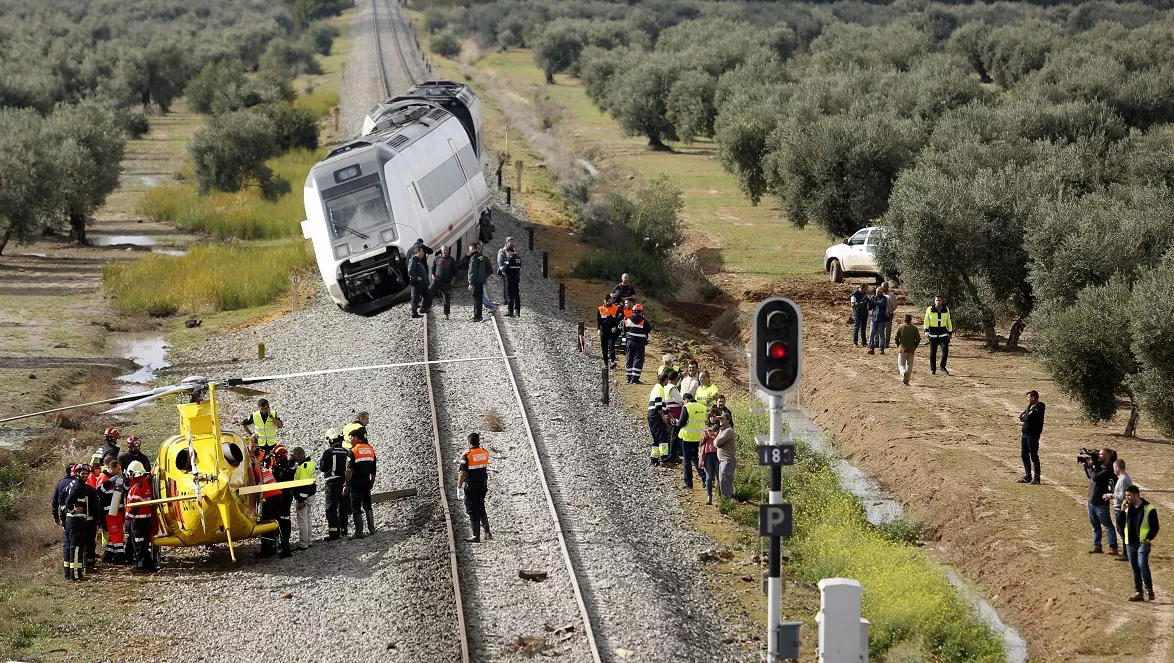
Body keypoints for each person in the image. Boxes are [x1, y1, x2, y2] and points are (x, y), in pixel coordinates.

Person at [1122, 485, 1159, 602]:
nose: (1127, 497)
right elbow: (1120, 525)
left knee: (1142, 565)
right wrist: (1122, 511)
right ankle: (1138, 592)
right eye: (1126, 495)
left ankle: (1149, 590)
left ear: (1136, 494)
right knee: (1135, 568)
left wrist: (1148, 538)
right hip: (1130, 542)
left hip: (1143, 542)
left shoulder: (1149, 508)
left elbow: (1155, 527)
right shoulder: (1128, 508)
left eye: (1129, 495)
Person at [458, 432, 492, 543]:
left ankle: (475, 536)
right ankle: (487, 533)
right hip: (482, 485)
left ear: (469, 442)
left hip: (471, 486)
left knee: (472, 509)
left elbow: (462, 473)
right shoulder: (485, 453)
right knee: (481, 506)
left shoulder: (467, 455)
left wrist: (459, 486)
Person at [61, 464, 93, 580]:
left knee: (71, 547)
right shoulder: (77, 486)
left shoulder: (72, 485)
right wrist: (73, 510)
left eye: (86, 473)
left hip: (72, 520)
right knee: (76, 547)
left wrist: (65, 512)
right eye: (82, 473)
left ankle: (69, 574)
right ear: (77, 473)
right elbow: (68, 501)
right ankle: (75, 575)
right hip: (76, 520)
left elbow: (61, 498)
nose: (85, 475)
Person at [1085, 448, 1118, 555]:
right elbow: (1090, 476)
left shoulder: (1108, 469)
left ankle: (1113, 546)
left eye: (1101, 454)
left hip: (1100, 503)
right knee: (1095, 525)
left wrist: (1090, 467)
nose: (1099, 456)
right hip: (1092, 500)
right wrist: (1087, 467)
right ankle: (1097, 546)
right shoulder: (1100, 467)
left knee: (1107, 525)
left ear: (1107, 456)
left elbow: (1095, 477)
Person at [124, 460, 156, 573]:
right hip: (146, 519)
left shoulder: (137, 487)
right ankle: (148, 563)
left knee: (138, 543)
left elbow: (134, 505)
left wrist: (128, 518)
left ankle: (142, 565)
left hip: (137, 520)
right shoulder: (145, 484)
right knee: (144, 543)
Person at [345, 427, 376, 539]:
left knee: (356, 506)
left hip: (356, 482)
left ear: (356, 438)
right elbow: (374, 469)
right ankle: (372, 529)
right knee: (368, 504)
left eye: (350, 438)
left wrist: (346, 483)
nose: (349, 440)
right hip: (366, 481)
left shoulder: (353, 451)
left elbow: (349, 470)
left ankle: (359, 532)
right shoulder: (370, 449)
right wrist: (372, 482)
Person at [319, 428, 349, 540]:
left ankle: (334, 532)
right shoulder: (346, 452)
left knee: (331, 507)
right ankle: (344, 529)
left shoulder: (328, 452)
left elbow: (323, 468)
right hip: (344, 481)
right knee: (343, 506)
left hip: (331, 481)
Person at [676, 393, 708, 490]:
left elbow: (682, 422)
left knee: (687, 461)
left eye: (683, 401)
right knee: (697, 459)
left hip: (687, 437)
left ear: (686, 399)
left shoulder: (686, 407)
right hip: (699, 437)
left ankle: (688, 483)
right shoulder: (702, 407)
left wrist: (676, 422)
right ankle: (705, 479)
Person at [98, 460, 126, 564]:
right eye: (118, 469)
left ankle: (108, 556)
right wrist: (110, 482)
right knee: (116, 533)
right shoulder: (103, 478)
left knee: (117, 533)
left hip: (118, 510)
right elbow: (100, 491)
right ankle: (119, 557)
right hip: (109, 511)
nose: (119, 471)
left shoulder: (118, 478)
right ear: (112, 468)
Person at [271, 446, 296, 558]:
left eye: (276, 457)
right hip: (280, 497)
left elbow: (280, 480)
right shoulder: (282, 466)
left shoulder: (286, 469)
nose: (275, 459)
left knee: (284, 521)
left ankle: (285, 546)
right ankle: (280, 545)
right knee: (280, 520)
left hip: (284, 498)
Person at [1017, 390, 1045, 484]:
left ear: (1033, 397)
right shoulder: (1030, 407)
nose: (1027, 399)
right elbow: (1022, 416)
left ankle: (1037, 478)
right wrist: (1025, 416)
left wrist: (1025, 417)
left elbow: (1027, 417)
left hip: (1033, 435)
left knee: (1033, 456)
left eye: (1028, 397)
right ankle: (1028, 476)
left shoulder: (1039, 407)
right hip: (1025, 434)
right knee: (1024, 455)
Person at [291, 447, 316, 551]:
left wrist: (301, 500)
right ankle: (308, 540)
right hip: (311, 494)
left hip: (305, 496)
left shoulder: (303, 467)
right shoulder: (310, 463)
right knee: (308, 518)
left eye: (293, 455)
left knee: (302, 520)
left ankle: (303, 543)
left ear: (297, 456)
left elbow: (304, 485)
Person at [1107, 459, 1133, 562]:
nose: (1113, 470)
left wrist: (1112, 495)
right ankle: (1127, 553)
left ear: (1117, 468)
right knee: (1122, 531)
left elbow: (1123, 496)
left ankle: (1127, 554)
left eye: (1114, 468)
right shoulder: (1123, 478)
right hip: (1121, 508)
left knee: (1122, 531)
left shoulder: (1123, 480)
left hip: (1122, 509)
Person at [923, 295, 953, 376]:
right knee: (933, 353)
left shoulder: (946, 309)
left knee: (945, 350)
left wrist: (950, 332)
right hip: (933, 334)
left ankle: (943, 367)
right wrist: (926, 331)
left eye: (939, 300)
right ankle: (933, 369)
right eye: (936, 300)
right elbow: (926, 320)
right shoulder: (929, 309)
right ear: (934, 301)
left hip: (943, 333)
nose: (938, 302)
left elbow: (948, 321)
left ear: (942, 301)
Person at [624, 304, 651, 384]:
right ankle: (635, 379)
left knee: (629, 358)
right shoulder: (643, 321)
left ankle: (628, 377)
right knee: (638, 359)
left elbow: (625, 328)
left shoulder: (628, 320)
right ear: (641, 312)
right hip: (639, 343)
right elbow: (648, 329)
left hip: (630, 342)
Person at [647, 373, 670, 465]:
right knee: (662, 436)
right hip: (656, 415)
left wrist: (668, 414)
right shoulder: (659, 388)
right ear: (666, 379)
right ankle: (664, 457)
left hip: (652, 415)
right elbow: (658, 404)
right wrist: (663, 417)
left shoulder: (656, 388)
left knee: (656, 437)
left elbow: (663, 405)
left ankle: (654, 458)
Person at [431, 245, 458, 319]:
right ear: (441, 250)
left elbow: (455, 272)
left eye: (446, 250)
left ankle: (446, 314)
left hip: (447, 283)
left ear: (448, 250)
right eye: (444, 250)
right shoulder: (437, 259)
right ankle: (424, 307)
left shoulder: (451, 260)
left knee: (446, 299)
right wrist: (433, 278)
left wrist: (452, 282)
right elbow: (432, 270)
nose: (445, 251)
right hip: (437, 281)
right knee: (429, 292)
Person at [714, 413, 737, 500]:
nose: (720, 420)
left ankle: (726, 499)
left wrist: (716, 439)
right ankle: (725, 499)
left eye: (722, 419)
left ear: (728, 420)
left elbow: (717, 443)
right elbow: (716, 443)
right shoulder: (723, 430)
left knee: (725, 480)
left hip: (727, 460)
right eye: (720, 419)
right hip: (723, 460)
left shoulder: (728, 431)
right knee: (722, 480)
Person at [467, 242, 491, 322]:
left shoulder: (473, 258)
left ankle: (476, 316)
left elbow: (472, 271)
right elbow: (490, 270)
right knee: (479, 299)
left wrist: (470, 283)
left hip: (475, 282)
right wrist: (483, 277)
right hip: (481, 282)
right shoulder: (483, 257)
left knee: (476, 299)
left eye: (470, 249)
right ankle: (479, 315)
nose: (469, 251)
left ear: (473, 249)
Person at [597, 294, 622, 369]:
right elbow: (598, 320)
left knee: (611, 345)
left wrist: (615, 327)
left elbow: (617, 320)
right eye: (606, 301)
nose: (608, 302)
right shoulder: (600, 309)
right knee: (604, 346)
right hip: (603, 330)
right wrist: (598, 329)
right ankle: (605, 363)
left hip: (612, 330)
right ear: (604, 301)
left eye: (609, 301)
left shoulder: (615, 308)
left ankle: (612, 361)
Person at [894, 314, 920, 385]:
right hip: (911, 349)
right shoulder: (914, 328)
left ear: (904, 320)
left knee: (901, 364)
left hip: (902, 349)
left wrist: (898, 345)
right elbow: (918, 339)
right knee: (910, 365)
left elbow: (896, 337)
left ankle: (903, 373)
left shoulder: (900, 327)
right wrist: (914, 346)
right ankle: (907, 378)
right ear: (911, 320)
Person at [699, 413, 720, 505]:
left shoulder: (720, 429)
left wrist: (712, 434)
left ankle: (722, 495)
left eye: (714, 416)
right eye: (710, 417)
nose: (712, 418)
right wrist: (705, 435)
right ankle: (709, 496)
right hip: (708, 454)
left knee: (720, 476)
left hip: (718, 454)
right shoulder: (706, 428)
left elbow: (718, 439)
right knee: (709, 476)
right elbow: (701, 442)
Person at [407, 244, 431, 318]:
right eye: (422, 251)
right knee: (415, 298)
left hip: (422, 283)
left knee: (427, 296)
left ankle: (423, 309)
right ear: (417, 252)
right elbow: (410, 271)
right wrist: (416, 278)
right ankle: (414, 313)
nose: (423, 253)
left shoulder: (418, 260)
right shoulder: (413, 260)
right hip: (416, 283)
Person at [867, 286, 889, 355]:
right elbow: (869, 308)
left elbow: (880, 304)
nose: (877, 293)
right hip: (874, 319)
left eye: (879, 292)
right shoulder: (874, 298)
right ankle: (871, 348)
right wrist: (869, 302)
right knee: (871, 334)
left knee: (881, 335)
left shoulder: (884, 298)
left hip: (881, 320)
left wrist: (872, 301)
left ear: (882, 292)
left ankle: (881, 349)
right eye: (876, 291)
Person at [502, 244, 522, 317]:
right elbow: (519, 267)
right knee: (516, 294)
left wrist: (503, 271)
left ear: (509, 251)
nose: (507, 254)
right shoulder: (518, 258)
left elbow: (505, 269)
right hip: (516, 277)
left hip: (510, 278)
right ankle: (517, 310)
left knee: (510, 295)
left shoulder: (510, 259)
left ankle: (510, 311)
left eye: (507, 253)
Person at [496, 236, 515, 305]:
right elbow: (500, 262)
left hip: (512, 272)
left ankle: (511, 300)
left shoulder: (514, 251)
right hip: (505, 271)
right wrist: (503, 271)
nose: (512, 243)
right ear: (507, 243)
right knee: (506, 286)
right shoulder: (502, 251)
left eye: (513, 242)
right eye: (510, 242)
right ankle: (506, 300)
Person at [883, 282, 898, 347]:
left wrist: (890, 311)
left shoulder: (891, 295)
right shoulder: (880, 294)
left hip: (888, 314)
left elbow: (894, 306)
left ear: (887, 287)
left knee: (887, 329)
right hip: (881, 314)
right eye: (882, 286)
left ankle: (886, 343)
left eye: (884, 286)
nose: (882, 288)